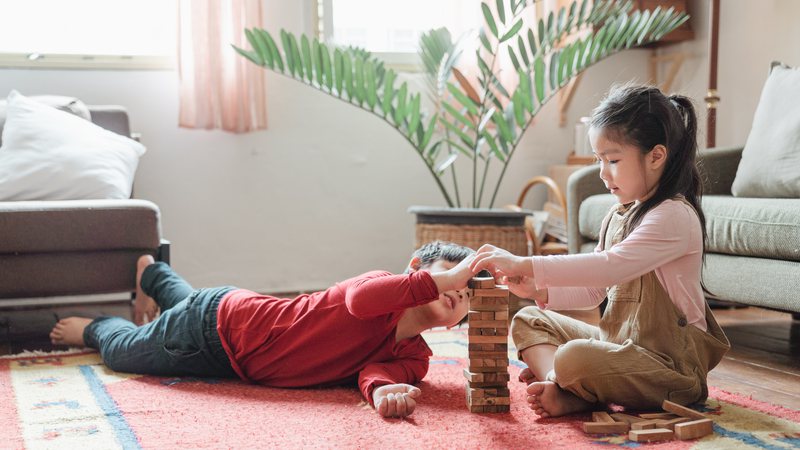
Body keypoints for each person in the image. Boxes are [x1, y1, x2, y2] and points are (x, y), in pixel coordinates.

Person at [470, 84, 730, 418]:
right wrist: (539, 289)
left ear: (656, 156)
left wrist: (526, 262)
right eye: (599, 160)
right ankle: (568, 386)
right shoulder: (618, 215)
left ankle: (563, 382)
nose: (603, 173)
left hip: (671, 370)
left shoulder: (673, 215)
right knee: (528, 319)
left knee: (572, 357)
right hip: (621, 348)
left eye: (613, 160)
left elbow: (610, 267)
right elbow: (596, 290)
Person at [49, 241, 476, 419]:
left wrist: (382, 392)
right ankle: (97, 327)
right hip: (218, 331)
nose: (461, 290)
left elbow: (374, 373)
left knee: (186, 301)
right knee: (123, 354)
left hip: (229, 325)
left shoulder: (415, 357)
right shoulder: (377, 286)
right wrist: (445, 279)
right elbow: (358, 303)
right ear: (418, 269)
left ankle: (155, 275)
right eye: (454, 277)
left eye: (470, 293)